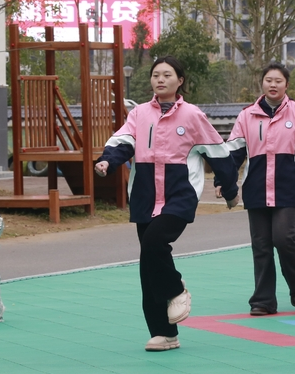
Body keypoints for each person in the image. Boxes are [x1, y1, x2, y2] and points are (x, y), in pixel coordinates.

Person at [94, 56, 240, 352]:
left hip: (179, 195)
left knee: (154, 243)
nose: (160, 80)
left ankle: (176, 288)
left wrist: (230, 190)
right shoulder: (139, 114)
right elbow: (122, 142)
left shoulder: (192, 115)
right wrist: (107, 161)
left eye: (167, 75)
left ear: (180, 80)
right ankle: (164, 333)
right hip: (146, 196)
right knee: (148, 265)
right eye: (155, 75)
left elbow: (218, 153)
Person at [218, 63, 295, 316]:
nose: (273, 85)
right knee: (261, 245)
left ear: (286, 85)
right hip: (256, 188)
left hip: (289, 187)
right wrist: (223, 181)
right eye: (269, 80)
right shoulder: (246, 115)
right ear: (262, 84)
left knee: (283, 237)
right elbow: (233, 153)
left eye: (278, 80)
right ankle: (263, 300)